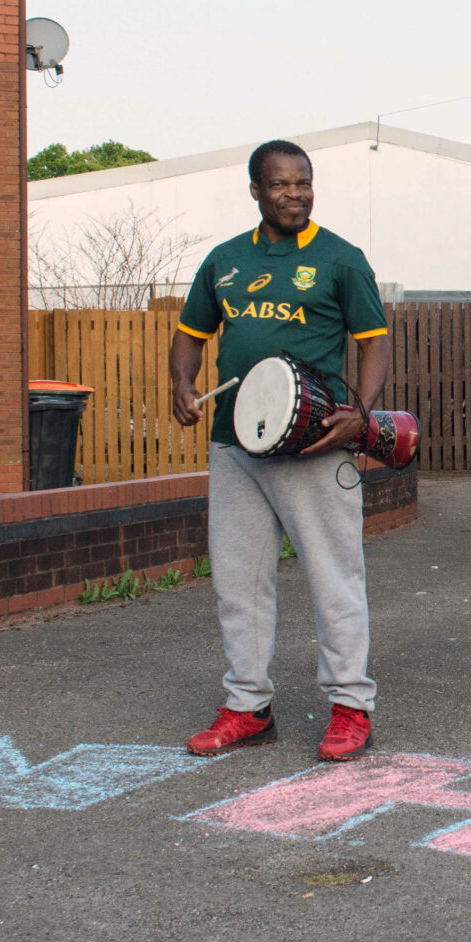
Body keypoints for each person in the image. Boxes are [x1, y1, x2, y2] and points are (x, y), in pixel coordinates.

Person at [170, 140, 391, 762]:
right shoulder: (225, 261)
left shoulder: (340, 260)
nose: (294, 194)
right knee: (239, 584)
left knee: (334, 579)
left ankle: (350, 707)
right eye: (281, 185)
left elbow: (374, 343)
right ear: (256, 191)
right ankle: (248, 707)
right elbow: (189, 335)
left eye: (304, 183)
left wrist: (361, 413)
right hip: (234, 447)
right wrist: (181, 385)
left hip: (315, 445)